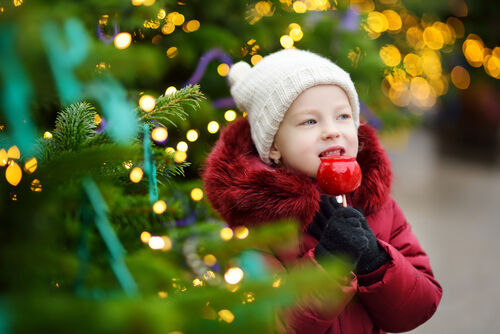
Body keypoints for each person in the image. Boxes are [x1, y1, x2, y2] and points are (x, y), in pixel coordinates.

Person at [202, 49, 442, 333]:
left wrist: (374, 259)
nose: (332, 131)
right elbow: (272, 322)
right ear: (274, 146)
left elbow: (420, 306)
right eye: (310, 121)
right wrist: (329, 262)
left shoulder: (378, 206)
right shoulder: (257, 223)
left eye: (342, 116)